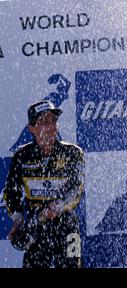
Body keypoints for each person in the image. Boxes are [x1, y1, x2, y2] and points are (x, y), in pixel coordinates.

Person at [3, 100, 84, 268]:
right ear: (31, 128)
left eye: (53, 121)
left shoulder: (73, 153)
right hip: (36, 230)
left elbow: (77, 188)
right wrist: (18, 218)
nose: (51, 126)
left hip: (68, 229)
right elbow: (11, 192)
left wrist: (58, 206)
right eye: (44, 121)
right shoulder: (21, 156)